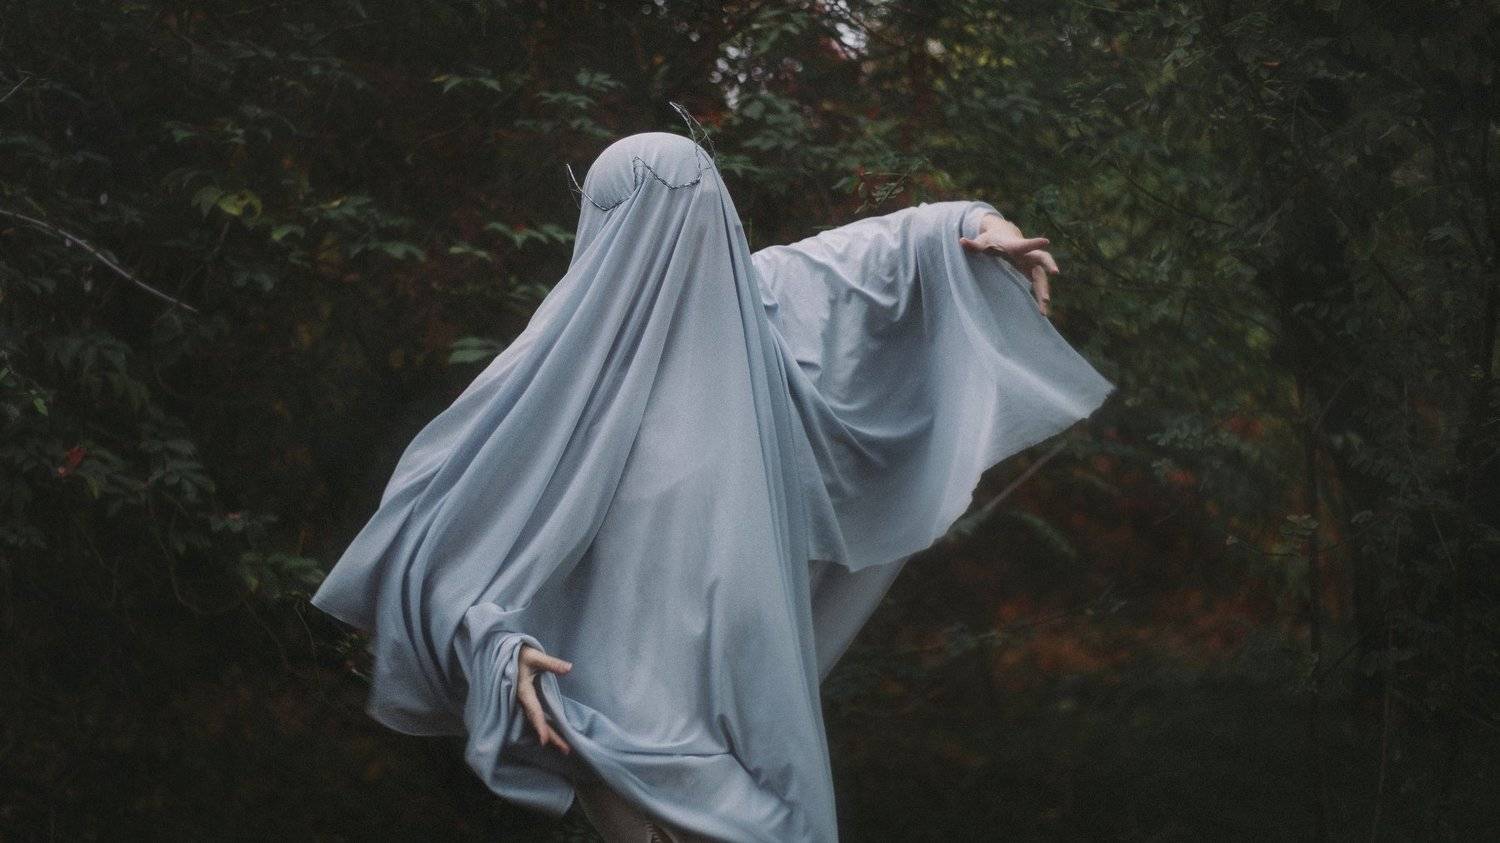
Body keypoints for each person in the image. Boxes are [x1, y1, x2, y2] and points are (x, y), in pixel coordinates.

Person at [310, 106, 1115, 843]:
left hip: (748, 708)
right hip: (617, 720)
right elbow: (429, 529)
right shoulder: (559, 371)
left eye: (695, 209)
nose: (671, 238)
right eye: (645, 216)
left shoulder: (762, 307)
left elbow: (891, 251)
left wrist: (982, 226)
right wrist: (491, 641)